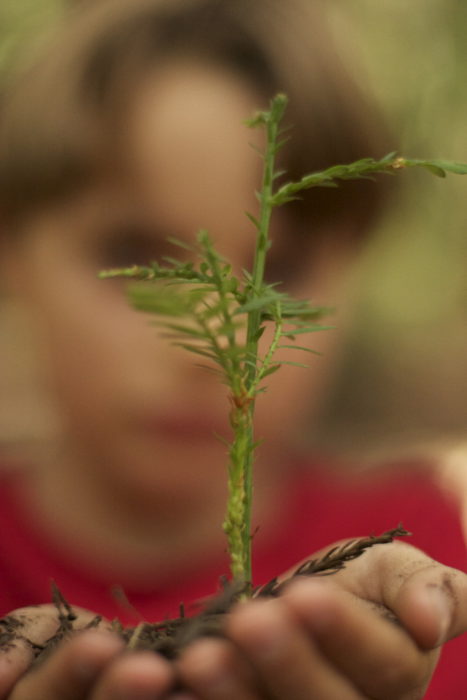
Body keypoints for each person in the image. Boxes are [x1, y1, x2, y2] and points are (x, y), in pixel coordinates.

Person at [0, 0, 466, 697]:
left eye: (278, 271)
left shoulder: (415, 568)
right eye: (136, 258)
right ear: (11, 252)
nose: (213, 347)